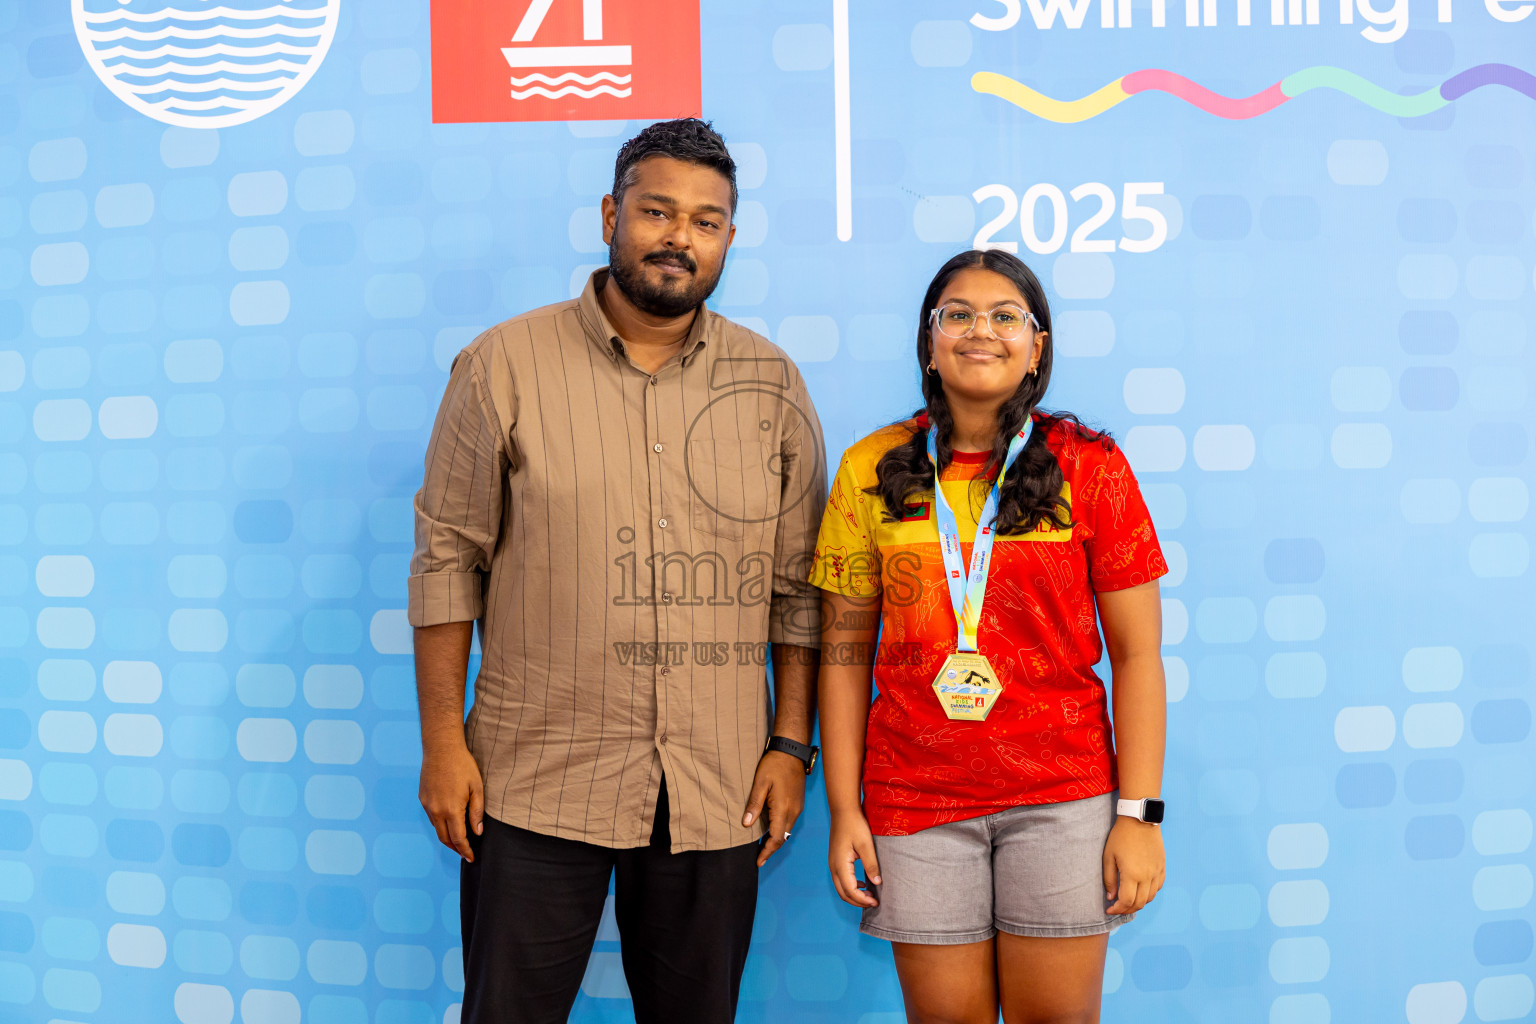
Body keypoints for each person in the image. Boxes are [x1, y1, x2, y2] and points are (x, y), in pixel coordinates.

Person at [408, 119, 826, 1024]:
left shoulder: (771, 382)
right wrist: (444, 745)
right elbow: (447, 563)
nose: (680, 238)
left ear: (728, 238)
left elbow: (798, 589)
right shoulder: (501, 366)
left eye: (707, 221)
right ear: (611, 214)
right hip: (532, 780)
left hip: (716, 784)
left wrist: (792, 746)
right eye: (658, 211)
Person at [811, 249, 1168, 1024]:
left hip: (1062, 797)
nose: (983, 331)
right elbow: (842, 659)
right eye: (959, 314)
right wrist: (845, 808)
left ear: (1037, 346)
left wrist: (1138, 818)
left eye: (1007, 316)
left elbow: (1139, 656)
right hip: (916, 800)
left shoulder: (1092, 468)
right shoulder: (870, 468)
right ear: (929, 341)